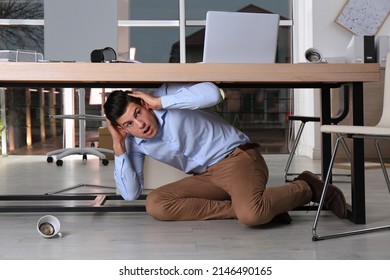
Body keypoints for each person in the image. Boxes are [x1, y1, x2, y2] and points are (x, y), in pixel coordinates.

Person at [103, 82, 347, 226]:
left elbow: (213, 93)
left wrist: (161, 102)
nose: (140, 125)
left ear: (143, 104)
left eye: (137, 113)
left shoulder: (167, 96)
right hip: (207, 177)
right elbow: (130, 193)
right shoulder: (133, 141)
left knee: (251, 215)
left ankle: (309, 187)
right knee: (155, 204)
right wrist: (119, 147)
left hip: (238, 159)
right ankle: (258, 208)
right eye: (128, 124)